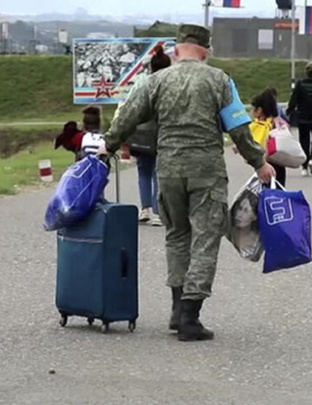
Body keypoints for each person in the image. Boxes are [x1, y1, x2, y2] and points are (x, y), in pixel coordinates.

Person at [103, 24, 275, 342]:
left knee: (176, 236)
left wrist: (107, 147)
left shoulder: (156, 80)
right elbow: (239, 128)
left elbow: (127, 116)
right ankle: (190, 316)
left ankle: (175, 308)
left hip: (168, 170)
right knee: (206, 239)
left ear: (176, 50)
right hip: (206, 171)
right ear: (205, 52)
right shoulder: (219, 80)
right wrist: (259, 162)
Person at [122, 45, 172, 227]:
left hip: (141, 134)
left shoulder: (142, 82)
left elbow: (130, 106)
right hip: (163, 133)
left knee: (144, 171)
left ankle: (145, 209)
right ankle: (159, 213)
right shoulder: (170, 84)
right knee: (159, 172)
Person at [248, 88, 288, 187]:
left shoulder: (261, 126)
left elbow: (258, 144)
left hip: (267, 166)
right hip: (280, 163)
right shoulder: (278, 122)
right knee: (279, 193)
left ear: (259, 110)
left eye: (254, 109)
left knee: (266, 193)